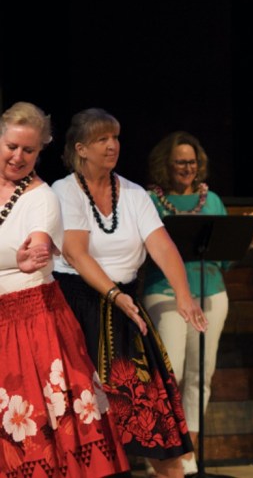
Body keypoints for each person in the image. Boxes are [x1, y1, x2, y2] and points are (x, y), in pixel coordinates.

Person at [52, 108, 207, 478]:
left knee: (151, 417)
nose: (112, 146)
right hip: (76, 310)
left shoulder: (135, 194)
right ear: (81, 149)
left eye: (116, 137)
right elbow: (75, 251)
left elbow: (163, 246)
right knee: (86, 417)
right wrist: (113, 295)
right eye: (102, 139)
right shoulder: (63, 191)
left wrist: (183, 295)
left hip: (124, 311)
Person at [0, 102, 129, 477]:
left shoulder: (43, 198)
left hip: (31, 319)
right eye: (11, 146)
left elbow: (38, 243)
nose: (18, 156)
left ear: (41, 150)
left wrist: (31, 255)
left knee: (36, 426)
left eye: (29, 149)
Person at [143, 131, 249, 475]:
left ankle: (189, 454)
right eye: (180, 162)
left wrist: (244, 242)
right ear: (165, 166)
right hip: (167, 293)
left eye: (192, 162)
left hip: (212, 292)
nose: (187, 168)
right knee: (171, 371)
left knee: (201, 374)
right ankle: (163, 454)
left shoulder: (212, 200)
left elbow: (224, 260)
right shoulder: (151, 200)